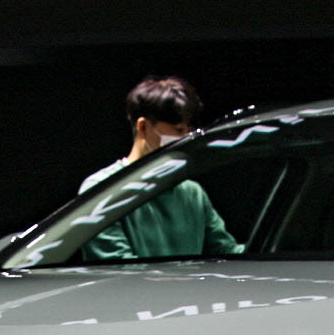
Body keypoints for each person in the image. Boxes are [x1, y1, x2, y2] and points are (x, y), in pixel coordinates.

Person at [80, 76, 242, 262]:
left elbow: (227, 252)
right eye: (178, 130)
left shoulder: (192, 193)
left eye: (190, 131)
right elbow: (117, 266)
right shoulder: (102, 191)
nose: (187, 138)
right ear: (143, 127)